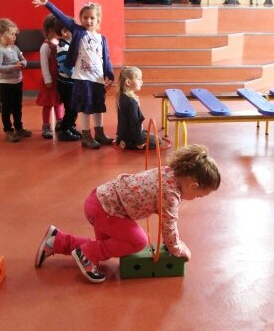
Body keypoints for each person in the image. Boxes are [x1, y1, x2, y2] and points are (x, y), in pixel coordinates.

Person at [35, 144, 221, 283]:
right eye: (199, 195)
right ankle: (86, 253)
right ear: (193, 185)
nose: (196, 198)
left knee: (108, 246)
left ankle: (57, 240)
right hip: (106, 211)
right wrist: (178, 249)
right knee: (137, 241)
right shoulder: (170, 194)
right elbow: (168, 226)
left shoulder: (169, 172)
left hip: (99, 199)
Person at [32, 0, 115, 149]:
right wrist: (47, 4)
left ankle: (100, 133)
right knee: (85, 107)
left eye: (92, 18)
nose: (88, 21)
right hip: (83, 78)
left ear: (98, 20)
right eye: (85, 17)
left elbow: (106, 58)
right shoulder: (78, 32)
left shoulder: (101, 38)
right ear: (80, 19)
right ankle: (86, 135)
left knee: (98, 105)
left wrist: (110, 75)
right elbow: (62, 17)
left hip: (97, 78)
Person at [0, 18, 32, 142]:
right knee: (6, 108)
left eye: (15, 34)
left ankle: (19, 127)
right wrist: (13, 67)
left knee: (17, 106)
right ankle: (8, 130)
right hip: (6, 84)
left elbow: (23, 59)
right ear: (1, 35)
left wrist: (23, 64)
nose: (14, 37)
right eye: (11, 34)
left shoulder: (15, 48)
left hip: (17, 82)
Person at [116, 66, 160, 150]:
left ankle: (123, 141)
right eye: (139, 79)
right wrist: (139, 141)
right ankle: (129, 143)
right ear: (128, 82)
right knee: (158, 141)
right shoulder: (131, 101)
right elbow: (135, 123)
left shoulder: (122, 96)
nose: (142, 82)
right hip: (131, 137)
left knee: (147, 133)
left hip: (123, 135)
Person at [36, 14, 64, 140]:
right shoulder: (45, 46)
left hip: (58, 79)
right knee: (48, 104)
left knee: (58, 103)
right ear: (50, 29)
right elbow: (44, 65)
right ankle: (46, 126)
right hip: (49, 81)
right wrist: (48, 79)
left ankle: (60, 122)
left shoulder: (58, 43)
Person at [53, 18, 81, 141]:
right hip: (67, 84)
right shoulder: (63, 48)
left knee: (71, 108)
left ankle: (68, 126)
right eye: (73, 29)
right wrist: (80, 76)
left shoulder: (69, 45)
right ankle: (64, 129)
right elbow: (67, 69)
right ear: (65, 32)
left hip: (70, 82)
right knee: (72, 109)